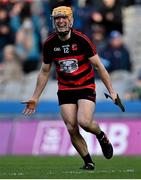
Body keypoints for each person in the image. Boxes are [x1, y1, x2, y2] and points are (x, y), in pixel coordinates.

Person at [22, 6, 117, 170]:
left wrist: (112, 91)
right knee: (71, 127)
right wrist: (35, 97)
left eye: (64, 18)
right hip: (65, 88)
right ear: (53, 22)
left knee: (84, 122)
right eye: (57, 18)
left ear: (70, 20)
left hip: (85, 85)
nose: (60, 21)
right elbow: (45, 72)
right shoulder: (50, 43)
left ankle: (101, 136)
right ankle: (88, 161)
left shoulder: (82, 39)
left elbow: (99, 67)